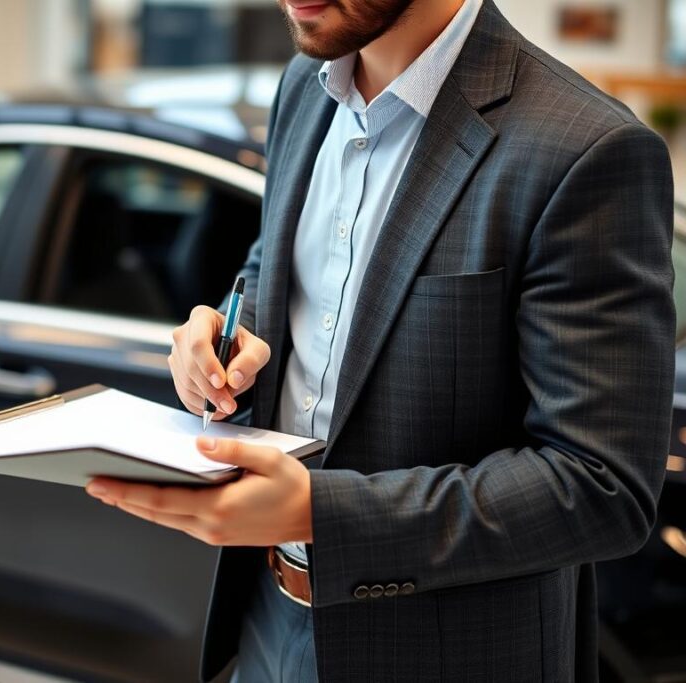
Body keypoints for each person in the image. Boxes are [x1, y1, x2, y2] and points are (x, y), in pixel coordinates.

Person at [86, 0, 674, 680]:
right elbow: (273, 269)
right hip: (265, 625)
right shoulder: (302, 89)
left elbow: (602, 486)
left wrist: (321, 514)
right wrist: (218, 334)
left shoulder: (584, 147)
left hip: (449, 655)